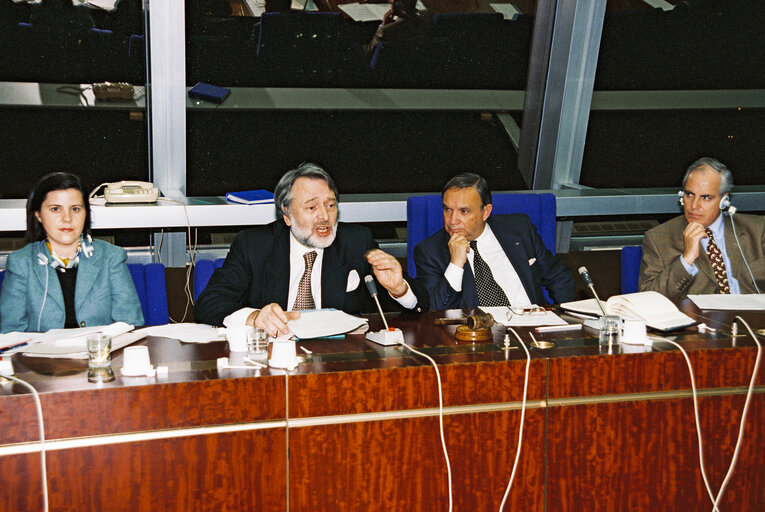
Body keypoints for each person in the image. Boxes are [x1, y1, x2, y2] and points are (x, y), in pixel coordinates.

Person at [194, 163, 428, 335]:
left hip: (336, 360)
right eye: (312, 207)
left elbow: (416, 305)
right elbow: (210, 302)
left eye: (330, 205)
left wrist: (399, 289)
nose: (324, 216)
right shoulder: (254, 245)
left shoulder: (357, 242)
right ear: (286, 214)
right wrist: (255, 317)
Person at [0, 172, 144, 333]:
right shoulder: (21, 263)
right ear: (38, 215)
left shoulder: (111, 257)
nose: (67, 218)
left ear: (85, 213)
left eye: (75, 209)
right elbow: (9, 334)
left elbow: (131, 325)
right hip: (43, 357)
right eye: (55, 209)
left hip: (101, 354)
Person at [413, 173, 575, 309]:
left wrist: (569, 318)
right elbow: (434, 309)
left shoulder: (519, 228)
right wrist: (455, 264)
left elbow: (558, 276)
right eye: (447, 209)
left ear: (485, 212)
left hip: (533, 329)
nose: (452, 220)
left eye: (464, 211)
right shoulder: (430, 251)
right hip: (479, 338)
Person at [639, 157, 765, 299]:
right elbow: (648, 298)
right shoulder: (658, 238)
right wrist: (686, 260)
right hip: (698, 319)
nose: (694, 205)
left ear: (724, 201)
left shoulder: (758, 230)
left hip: (751, 318)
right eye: (689, 194)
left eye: (706, 197)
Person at [366, 0, 431, 53]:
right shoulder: (428, 18)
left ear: (398, 3)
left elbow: (369, 51)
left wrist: (382, 25)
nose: (389, 2)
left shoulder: (386, 30)